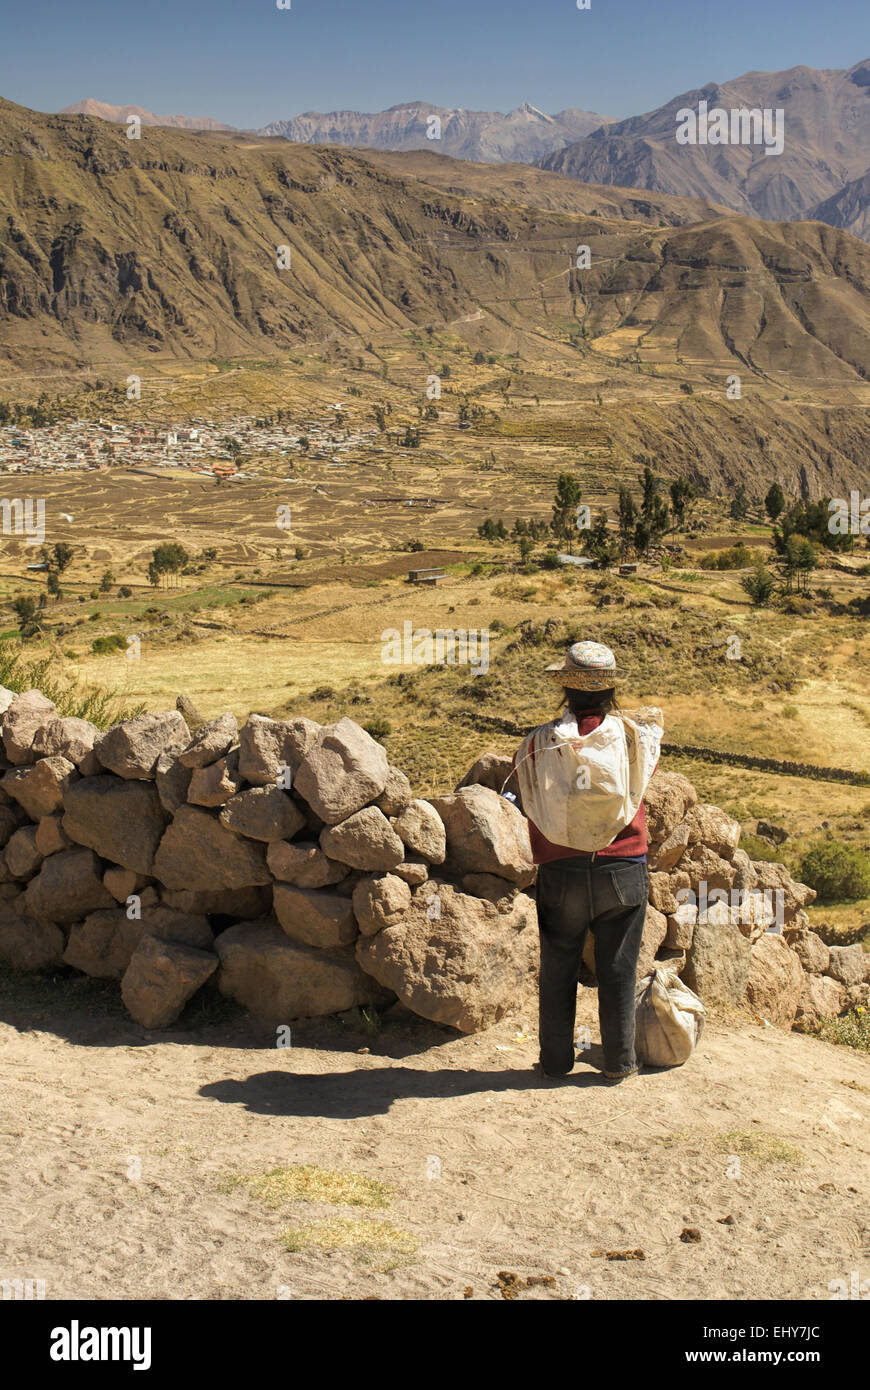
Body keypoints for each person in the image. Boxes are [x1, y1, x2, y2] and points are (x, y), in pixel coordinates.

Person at [511, 640, 660, 1084]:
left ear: (566, 691)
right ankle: (618, 1062)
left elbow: (527, 793)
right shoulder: (634, 738)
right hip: (623, 865)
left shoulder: (540, 743)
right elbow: (640, 782)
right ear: (609, 691)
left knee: (558, 965)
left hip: (561, 869)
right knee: (618, 966)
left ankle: (556, 1062)